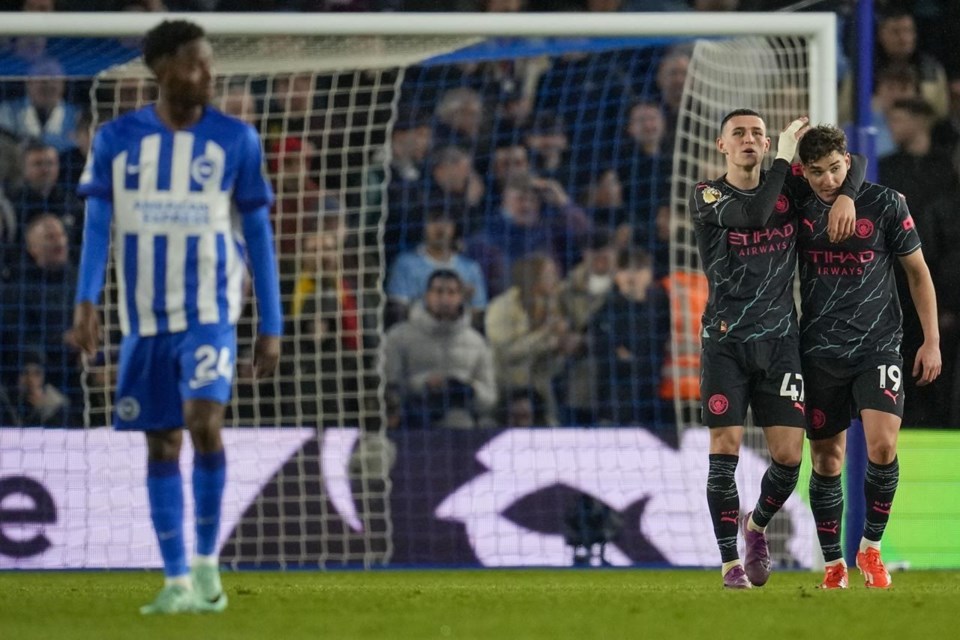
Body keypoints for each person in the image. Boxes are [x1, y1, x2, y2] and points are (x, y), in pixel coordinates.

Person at [72, 20, 282, 614]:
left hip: (211, 313)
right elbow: (96, 226)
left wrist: (272, 324)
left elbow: (259, 233)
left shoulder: (236, 139)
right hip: (143, 320)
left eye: (210, 63)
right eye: (194, 63)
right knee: (161, 444)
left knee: (202, 419)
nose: (207, 74)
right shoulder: (117, 139)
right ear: (160, 69)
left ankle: (208, 566)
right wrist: (86, 301)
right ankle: (175, 582)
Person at [689, 109, 860, 589]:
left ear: (767, 146)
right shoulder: (707, 195)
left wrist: (845, 195)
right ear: (722, 145)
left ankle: (756, 526)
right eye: (739, 134)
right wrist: (786, 161)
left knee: (788, 458)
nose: (749, 140)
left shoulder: (789, 185)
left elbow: (854, 161)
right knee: (724, 449)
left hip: (781, 342)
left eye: (758, 134)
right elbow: (753, 214)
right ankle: (729, 564)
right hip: (726, 344)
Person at [796, 125, 941, 590]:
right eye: (816, 172)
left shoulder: (885, 203)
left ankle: (872, 549)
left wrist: (931, 340)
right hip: (818, 350)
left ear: (847, 160)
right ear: (803, 172)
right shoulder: (796, 206)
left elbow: (917, 272)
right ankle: (833, 563)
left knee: (883, 445)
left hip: (878, 345)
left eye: (836, 168)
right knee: (826, 461)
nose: (827, 179)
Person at [383, 269, 497, 429]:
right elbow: (388, 386)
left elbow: (490, 399)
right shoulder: (398, 336)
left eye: (451, 292)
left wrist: (468, 390)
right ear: (426, 295)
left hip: (463, 429)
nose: (444, 299)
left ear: (461, 297)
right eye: (438, 291)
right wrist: (423, 384)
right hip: (411, 426)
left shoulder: (477, 342)